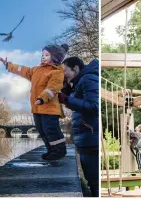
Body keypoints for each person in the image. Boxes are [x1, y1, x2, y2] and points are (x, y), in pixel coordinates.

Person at [0, 44, 68, 160]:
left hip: (49, 108)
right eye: (42, 54)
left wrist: (42, 98)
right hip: (37, 108)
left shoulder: (56, 72)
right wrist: (8, 65)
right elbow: (23, 70)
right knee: (41, 130)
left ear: (55, 57)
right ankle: (51, 150)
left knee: (50, 129)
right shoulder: (36, 70)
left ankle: (60, 150)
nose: (43, 57)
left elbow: (52, 88)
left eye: (47, 55)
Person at [58, 57, 99, 197]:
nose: (64, 74)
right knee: (91, 180)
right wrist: (65, 90)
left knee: (94, 181)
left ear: (75, 68)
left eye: (65, 71)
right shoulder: (80, 82)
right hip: (86, 139)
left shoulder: (88, 79)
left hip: (91, 138)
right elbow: (80, 100)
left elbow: (94, 106)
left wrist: (66, 99)